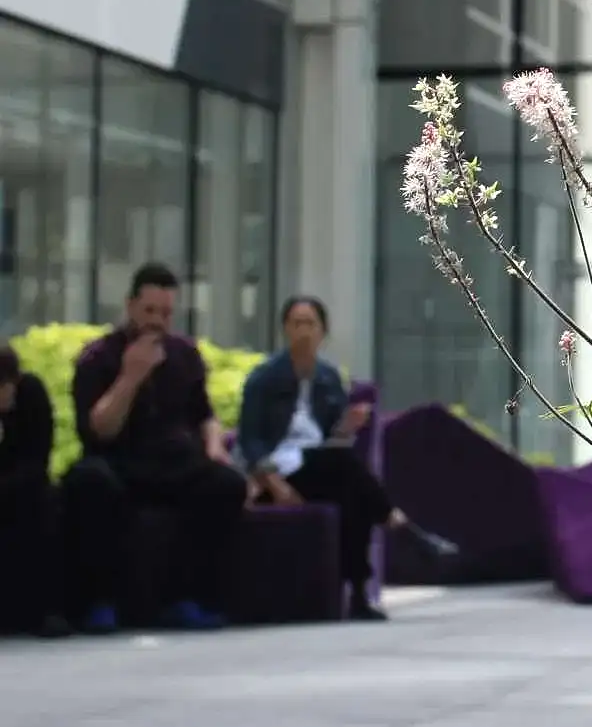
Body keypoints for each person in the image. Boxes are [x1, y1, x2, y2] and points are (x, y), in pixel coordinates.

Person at [235, 295, 454, 622]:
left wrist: (346, 426)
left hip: (317, 465)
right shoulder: (264, 378)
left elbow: (332, 439)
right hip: (277, 471)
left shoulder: (328, 378)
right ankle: (402, 528)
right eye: (296, 324)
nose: (303, 332)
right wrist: (275, 484)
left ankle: (357, 595)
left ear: (323, 332)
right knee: (347, 471)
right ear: (285, 329)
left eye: (310, 324)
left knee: (354, 495)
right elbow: (250, 440)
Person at [63, 262, 249, 633]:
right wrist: (130, 377)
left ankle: (186, 599)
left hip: (171, 462)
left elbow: (204, 415)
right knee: (89, 482)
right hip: (117, 461)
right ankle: (102, 603)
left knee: (226, 484)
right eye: (149, 311)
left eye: (165, 313)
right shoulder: (98, 357)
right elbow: (98, 430)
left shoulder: (184, 354)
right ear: (130, 306)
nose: (157, 322)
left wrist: (214, 446)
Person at [0, 346, 71, 638]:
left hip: (21, 488)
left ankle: (43, 609)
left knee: (43, 504)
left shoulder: (31, 394)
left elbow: (37, 458)